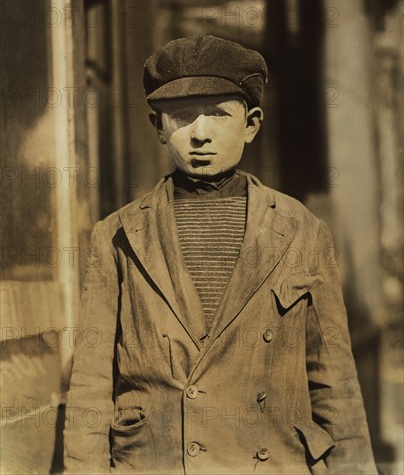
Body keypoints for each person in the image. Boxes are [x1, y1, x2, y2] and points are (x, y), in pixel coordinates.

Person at [64, 35, 377, 474]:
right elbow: (92, 383)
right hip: (157, 463)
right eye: (182, 117)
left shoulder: (301, 229)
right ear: (159, 127)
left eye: (217, 114)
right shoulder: (117, 235)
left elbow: (333, 377)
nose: (200, 134)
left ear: (251, 124)